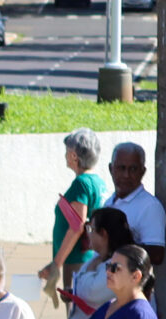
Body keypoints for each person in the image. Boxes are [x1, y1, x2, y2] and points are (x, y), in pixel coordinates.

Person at [39, 128, 112, 300]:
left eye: (67, 151)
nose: (65, 155)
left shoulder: (81, 183)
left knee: (76, 309)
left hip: (78, 259)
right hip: (91, 256)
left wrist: (56, 264)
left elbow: (77, 226)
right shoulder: (98, 182)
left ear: (73, 156)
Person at [86, 244, 162, 319]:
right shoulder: (108, 305)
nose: (108, 272)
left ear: (135, 276)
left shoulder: (140, 315)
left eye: (116, 268)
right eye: (108, 266)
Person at [103, 141, 166, 248]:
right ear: (111, 169)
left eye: (133, 169)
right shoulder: (109, 203)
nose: (126, 175)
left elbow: (156, 253)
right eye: (121, 168)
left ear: (142, 172)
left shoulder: (150, 207)